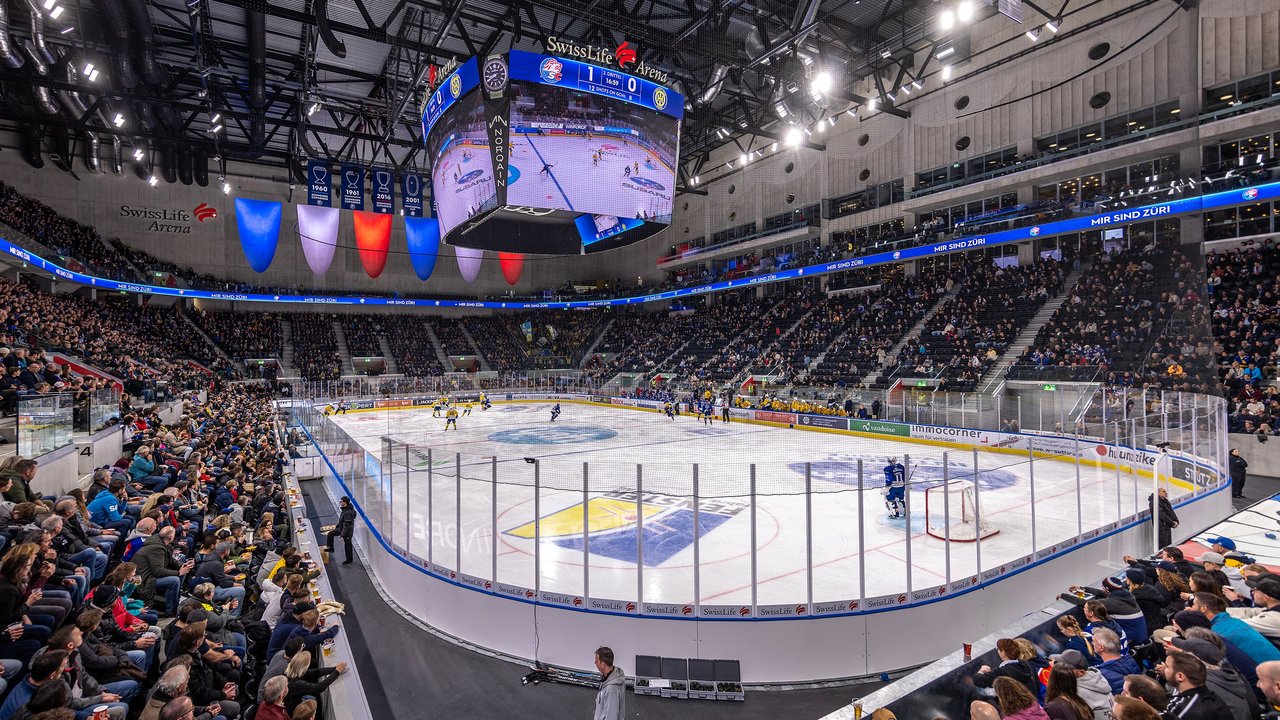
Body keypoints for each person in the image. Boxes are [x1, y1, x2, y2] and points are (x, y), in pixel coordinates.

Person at [1192, 592, 1280, 664]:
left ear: (1203, 608)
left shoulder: (1220, 631)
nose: (1191, 608)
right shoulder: (1232, 622)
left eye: (1193, 605)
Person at [1158, 651, 1231, 720]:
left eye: (1167, 667)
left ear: (1180, 676)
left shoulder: (1184, 710)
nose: (1164, 668)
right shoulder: (1211, 696)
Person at [1094, 628, 1140, 695]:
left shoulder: (1101, 675)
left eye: (1093, 641)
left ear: (1101, 647)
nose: (1092, 644)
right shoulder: (1130, 660)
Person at [593, 646, 624, 720]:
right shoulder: (612, 675)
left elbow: (612, 716)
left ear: (603, 664)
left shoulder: (611, 689)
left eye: (597, 661)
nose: (595, 663)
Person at [325, 497, 355, 566]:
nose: (340, 502)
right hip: (342, 529)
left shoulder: (348, 513)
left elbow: (346, 525)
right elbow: (342, 520)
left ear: (345, 503)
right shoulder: (345, 510)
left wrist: (342, 535)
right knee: (330, 533)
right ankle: (331, 548)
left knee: (348, 545)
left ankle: (349, 560)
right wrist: (337, 526)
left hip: (347, 532)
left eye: (341, 501)